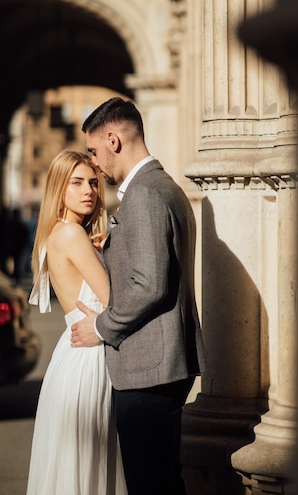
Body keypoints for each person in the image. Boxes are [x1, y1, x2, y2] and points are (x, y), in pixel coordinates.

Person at [70, 97, 206, 494]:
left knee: (151, 485)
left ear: (113, 140)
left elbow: (150, 283)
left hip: (148, 368)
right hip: (161, 363)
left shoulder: (145, 193)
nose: (94, 162)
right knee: (162, 480)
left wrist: (101, 326)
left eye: (95, 152)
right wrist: (111, 249)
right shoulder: (160, 187)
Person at [26, 150, 127, 495]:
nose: (90, 190)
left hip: (73, 356)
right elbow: (115, 300)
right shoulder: (71, 234)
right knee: (93, 462)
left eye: (94, 183)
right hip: (90, 357)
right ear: (58, 187)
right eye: (78, 182)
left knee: (81, 464)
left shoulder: (60, 233)